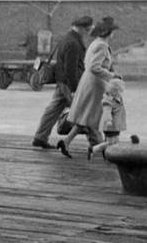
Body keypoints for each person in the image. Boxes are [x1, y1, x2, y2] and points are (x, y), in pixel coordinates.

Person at [57, 17, 120, 158]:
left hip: (89, 82)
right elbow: (94, 67)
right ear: (109, 33)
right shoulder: (102, 46)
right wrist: (112, 76)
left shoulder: (95, 43)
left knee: (86, 116)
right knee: (105, 115)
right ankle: (108, 147)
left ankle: (66, 141)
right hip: (96, 86)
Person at [31, 16, 96, 149]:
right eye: (87, 29)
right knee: (85, 111)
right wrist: (74, 89)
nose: (88, 32)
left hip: (62, 81)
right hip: (69, 83)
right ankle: (98, 144)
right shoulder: (73, 42)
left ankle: (40, 137)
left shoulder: (67, 37)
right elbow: (70, 68)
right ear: (83, 28)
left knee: (53, 110)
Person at [90, 78, 127, 160]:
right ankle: (94, 149)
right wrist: (108, 120)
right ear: (114, 92)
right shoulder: (108, 101)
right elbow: (107, 112)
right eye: (120, 91)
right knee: (110, 142)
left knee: (116, 140)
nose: (122, 93)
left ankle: (111, 154)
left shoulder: (118, 99)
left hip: (116, 125)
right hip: (109, 126)